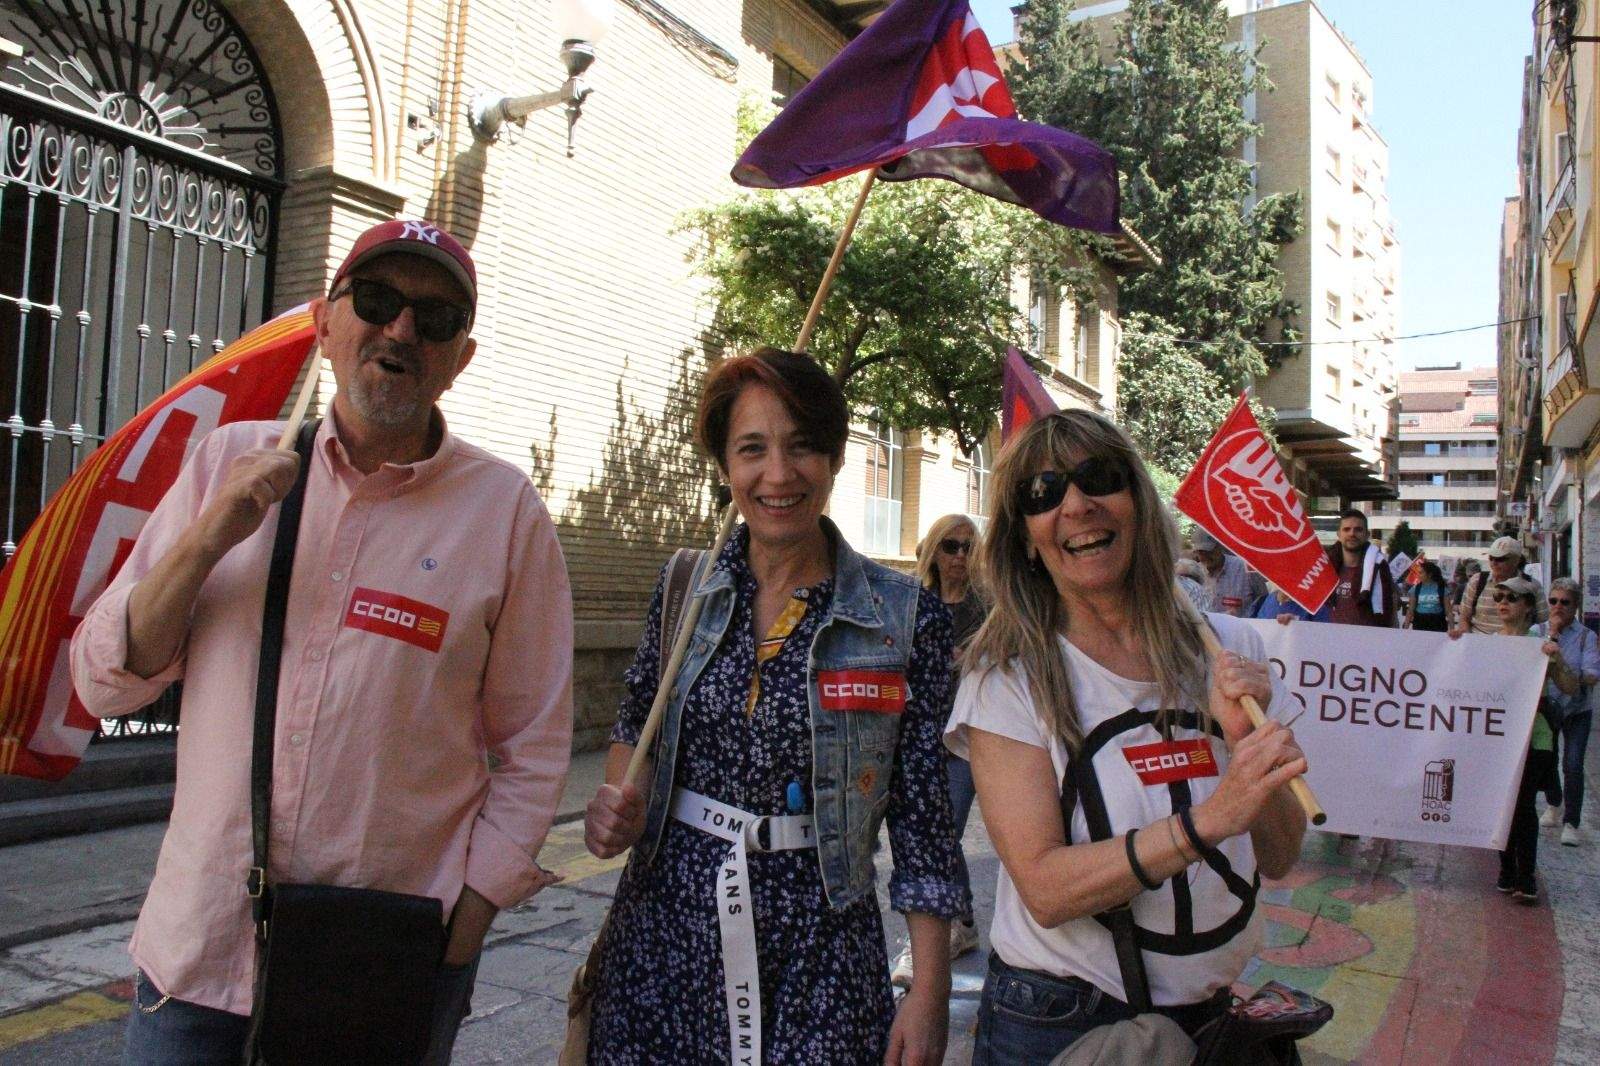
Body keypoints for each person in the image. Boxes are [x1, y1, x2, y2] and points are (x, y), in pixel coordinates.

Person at [69, 220, 574, 1064]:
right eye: (375, 301)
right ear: (325, 322)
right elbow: (107, 683)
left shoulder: (504, 512)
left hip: (383, 959)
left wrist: (469, 917)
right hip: (199, 958)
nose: (401, 330)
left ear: (461, 357)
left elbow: (535, 743)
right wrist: (209, 537)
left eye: (436, 319)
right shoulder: (231, 462)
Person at [582, 348, 969, 1065]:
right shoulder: (685, 588)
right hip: (664, 940)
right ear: (725, 465)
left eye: (802, 446)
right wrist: (620, 803)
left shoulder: (903, 617)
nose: (779, 474)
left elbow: (924, 818)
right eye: (752, 449)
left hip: (823, 953)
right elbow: (639, 724)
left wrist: (930, 988)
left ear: (836, 457)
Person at [944, 410, 1308, 1062]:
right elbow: (1046, 890)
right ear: (1025, 536)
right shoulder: (1006, 679)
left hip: (1208, 1019)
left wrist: (1246, 747)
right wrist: (1210, 820)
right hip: (1061, 1025)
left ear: (1136, 501)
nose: (1076, 505)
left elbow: (1279, 855)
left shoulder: (1229, 653)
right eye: (1043, 493)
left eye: (1099, 477)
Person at [891, 513, 991, 985]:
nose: (959, 556)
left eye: (968, 547)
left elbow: (1009, 654)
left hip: (967, 734)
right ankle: (962, 923)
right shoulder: (914, 602)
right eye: (951, 546)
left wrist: (978, 657)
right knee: (935, 835)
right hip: (918, 734)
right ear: (933, 549)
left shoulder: (989, 607)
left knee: (942, 832)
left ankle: (935, 936)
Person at [1481, 576, 1576, 902]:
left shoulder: (1540, 644)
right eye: (1499, 597)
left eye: (1512, 598)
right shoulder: (1488, 644)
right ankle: (1507, 869)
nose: (1503, 603)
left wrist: (1556, 659)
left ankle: (1525, 877)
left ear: (1527, 607)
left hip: (1534, 736)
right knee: (1502, 805)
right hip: (1498, 735)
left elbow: (1569, 687)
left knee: (1522, 805)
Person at [1535, 577, 1600, 845]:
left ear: (1575, 606)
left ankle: (1571, 822)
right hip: (1547, 708)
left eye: (1565, 602)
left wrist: (1565, 668)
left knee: (1572, 764)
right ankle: (1554, 803)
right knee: (1547, 760)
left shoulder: (1586, 636)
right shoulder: (1537, 631)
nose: (1558, 606)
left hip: (1576, 709)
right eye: (1553, 601)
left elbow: (1592, 673)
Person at [1325, 509, 1395, 627]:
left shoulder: (1379, 569)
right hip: (1329, 635)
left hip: (1368, 636)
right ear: (1339, 535)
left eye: (1358, 529)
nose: (1352, 534)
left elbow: (1388, 609)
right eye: (1346, 529)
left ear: (1367, 535)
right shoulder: (1325, 568)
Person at [1455, 537, 1534, 636]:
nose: (1493, 563)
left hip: (1516, 642)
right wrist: (1470, 640)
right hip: (1479, 641)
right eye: (1491, 558)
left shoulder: (1530, 585)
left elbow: (1539, 621)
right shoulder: (1477, 581)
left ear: (1516, 560)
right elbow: (1464, 618)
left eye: (1500, 559)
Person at [1187, 528, 1264, 617]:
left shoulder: (1245, 568)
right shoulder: (1195, 572)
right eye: (1200, 553)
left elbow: (1263, 599)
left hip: (1242, 625)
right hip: (1206, 625)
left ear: (1220, 547)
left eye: (1208, 551)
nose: (1205, 557)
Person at [1253, 582, 1332, 625]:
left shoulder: (1316, 604)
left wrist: (1295, 624)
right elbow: (1260, 628)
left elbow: (1323, 637)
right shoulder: (1268, 599)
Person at [1407, 561, 1453, 632]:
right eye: (1418, 572)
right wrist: (1406, 626)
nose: (1418, 575)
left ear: (1429, 575)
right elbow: (1410, 610)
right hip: (1419, 623)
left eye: (1421, 573)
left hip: (1438, 623)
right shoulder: (1415, 589)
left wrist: (1452, 629)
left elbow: (1448, 611)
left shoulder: (1442, 589)